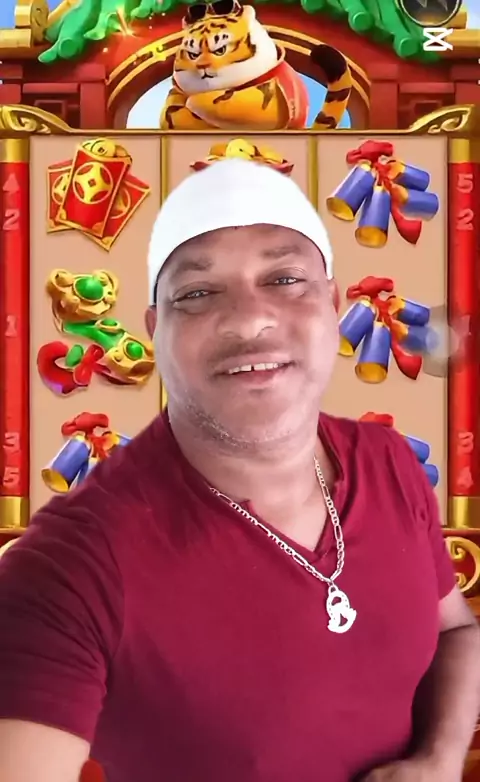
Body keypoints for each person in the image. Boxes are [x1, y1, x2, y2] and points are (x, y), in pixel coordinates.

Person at [0, 158, 479, 782]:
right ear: (156, 331)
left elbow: (455, 631)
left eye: (285, 279)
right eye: (197, 294)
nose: (250, 318)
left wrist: (438, 760)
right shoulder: (68, 565)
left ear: (334, 305)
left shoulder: (388, 460)